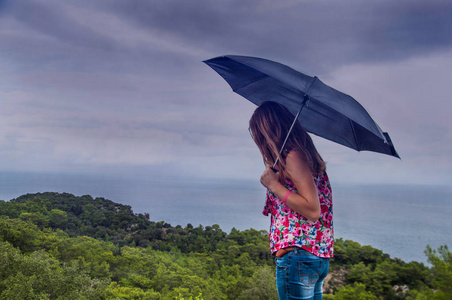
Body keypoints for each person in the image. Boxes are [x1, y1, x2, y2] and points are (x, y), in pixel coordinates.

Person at [249, 101, 333, 300]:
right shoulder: (303, 156)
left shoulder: (293, 157)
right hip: (313, 256)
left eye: (259, 134)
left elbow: (313, 210)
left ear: (267, 131)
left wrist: (274, 186)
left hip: (298, 257)